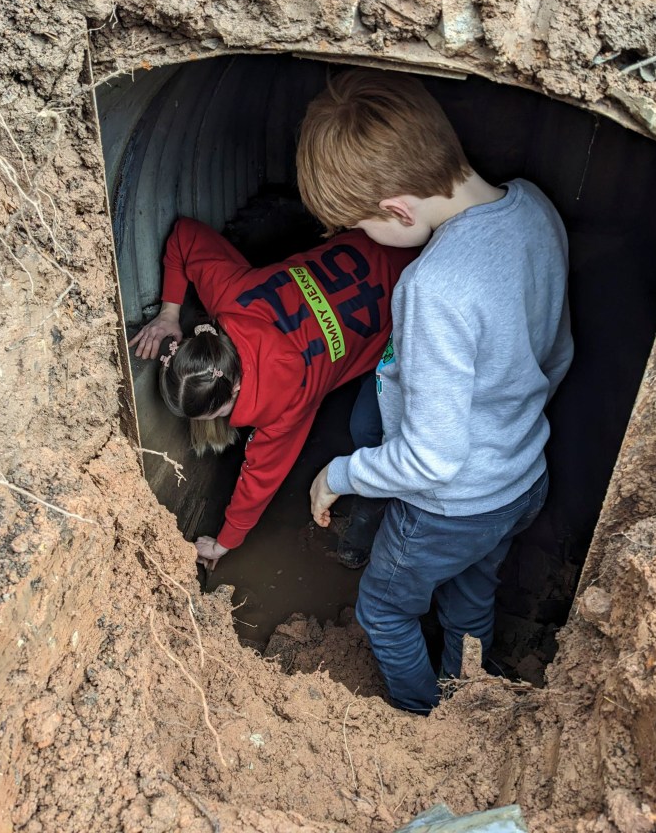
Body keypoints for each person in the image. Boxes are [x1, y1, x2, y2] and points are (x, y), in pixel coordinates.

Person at [298, 69, 573, 714]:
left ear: (398, 209)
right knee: (470, 596)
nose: (367, 240)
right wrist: (508, 430)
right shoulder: (534, 207)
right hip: (521, 476)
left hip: (449, 506)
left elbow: (433, 460)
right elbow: (556, 355)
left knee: (384, 609)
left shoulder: (433, 287)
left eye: (364, 226)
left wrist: (340, 473)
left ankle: (422, 722)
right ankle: (467, 701)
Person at [129, 216, 415, 569]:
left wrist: (225, 542)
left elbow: (261, 476)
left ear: (234, 386)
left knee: (368, 429)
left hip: (413, 286)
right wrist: (169, 312)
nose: (220, 421)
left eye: (217, 414)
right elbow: (185, 236)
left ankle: (371, 526)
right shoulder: (228, 293)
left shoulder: (286, 404)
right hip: (383, 234)